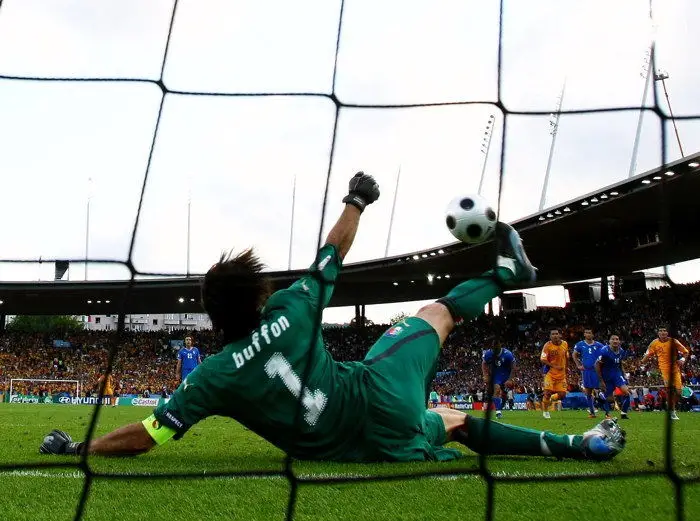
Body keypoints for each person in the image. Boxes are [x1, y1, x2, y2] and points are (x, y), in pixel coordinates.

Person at [39, 172, 625, 462]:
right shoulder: (293, 308)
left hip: (367, 448)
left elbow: (149, 434)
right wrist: (357, 200)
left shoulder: (214, 376)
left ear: (215, 320)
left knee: (449, 421)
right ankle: (506, 274)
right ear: (259, 299)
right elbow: (333, 251)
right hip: (377, 393)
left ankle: (577, 444)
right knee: (439, 311)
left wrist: (79, 450)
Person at [640, 327, 689, 420]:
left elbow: (685, 352)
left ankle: (671, 404)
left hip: (675, 369)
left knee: (679, 392)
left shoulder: (674, 341)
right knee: (670, 391)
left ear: (667, 332)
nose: (663, 332)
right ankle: (672, 412)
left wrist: (682, 359)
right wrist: (642, 362)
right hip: (665, 370)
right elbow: (647, 354)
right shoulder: (654, 343)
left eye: (664, 331)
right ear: (658, 333)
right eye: (660, 331)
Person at [595, 335, 631, 419]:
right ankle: (606, 412)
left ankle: (623, 413)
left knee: (627, 393)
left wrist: (624, 375)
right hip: (606, 375)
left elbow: (620, 363)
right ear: (609, 341)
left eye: (617, 339)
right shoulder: (604, 351)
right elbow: (596, 365)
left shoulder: (621, 351)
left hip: (617, 374)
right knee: (609, 399)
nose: (615, 341)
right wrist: (601, 380)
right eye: (613, 339)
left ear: (619, 341)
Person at [571, 328, 604, 418]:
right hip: (586, 371)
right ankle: (592, 412)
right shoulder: (580, 344)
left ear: (592, 335)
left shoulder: (599, 345)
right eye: (586, 333)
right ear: (584, 334)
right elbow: (574, 354)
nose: (588, 334)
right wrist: (578, 364)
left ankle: (607, 412)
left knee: (601, 390)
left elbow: (605, 354)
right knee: (588, 392)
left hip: (597, 371)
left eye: (589, 333)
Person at [540, 329, 569, 419]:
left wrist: (566, 367)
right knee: (547, 393)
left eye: (556, 334)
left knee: (562, 395)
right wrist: (554, 366)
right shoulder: (547, 346)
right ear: (550, 336)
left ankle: (552, 398)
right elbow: (543, 359)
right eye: (553, 334)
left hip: (561, 375)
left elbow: (566, 356)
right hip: (550, 373)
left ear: (560, 335)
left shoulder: (565, 344)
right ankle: (545, 412)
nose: (555, 335)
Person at [481, 341, 515, 418]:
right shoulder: (488, 353)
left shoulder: (507, 354)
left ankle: (503, 400)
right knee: (496, 389)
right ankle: (498, 412)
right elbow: (484, 363)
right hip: (496, 375)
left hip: (506, 374)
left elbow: (514, 366)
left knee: (505, 394)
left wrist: (510, 379)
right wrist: (485, 375)